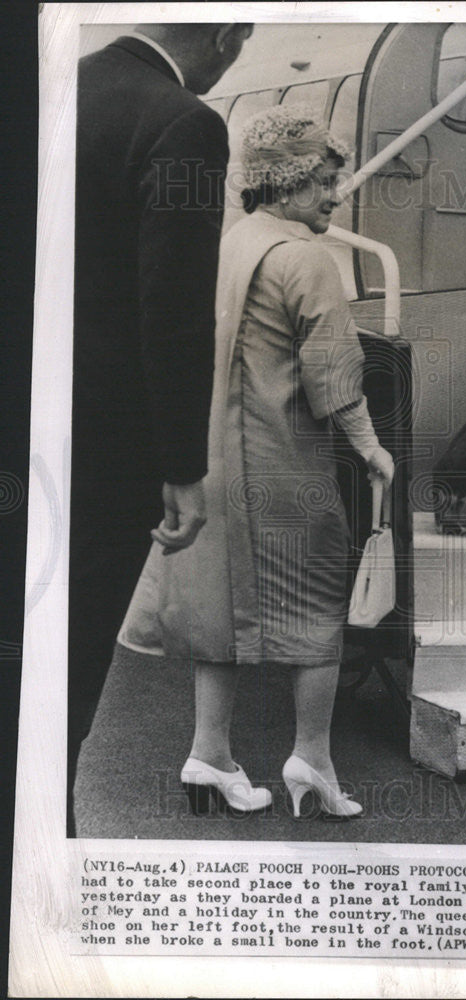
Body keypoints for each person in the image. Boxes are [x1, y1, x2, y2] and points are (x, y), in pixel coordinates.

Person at [119, 105, 394, 819]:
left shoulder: (233, 241)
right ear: (295, 183)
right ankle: (313, 762)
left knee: (221, 605)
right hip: (282, 467)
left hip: (217, 458)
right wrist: (373, 451)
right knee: (317, 605)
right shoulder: (307, 259)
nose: (337, 196)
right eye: (329, 182)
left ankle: (209, 755)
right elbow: (333, 376)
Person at [70, 23, 254, 835]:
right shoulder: (182, 121)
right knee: (66, 659)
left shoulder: (61, 86)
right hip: (99, 452)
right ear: (225, 34)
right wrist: (183, 467)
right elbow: (173, 312)